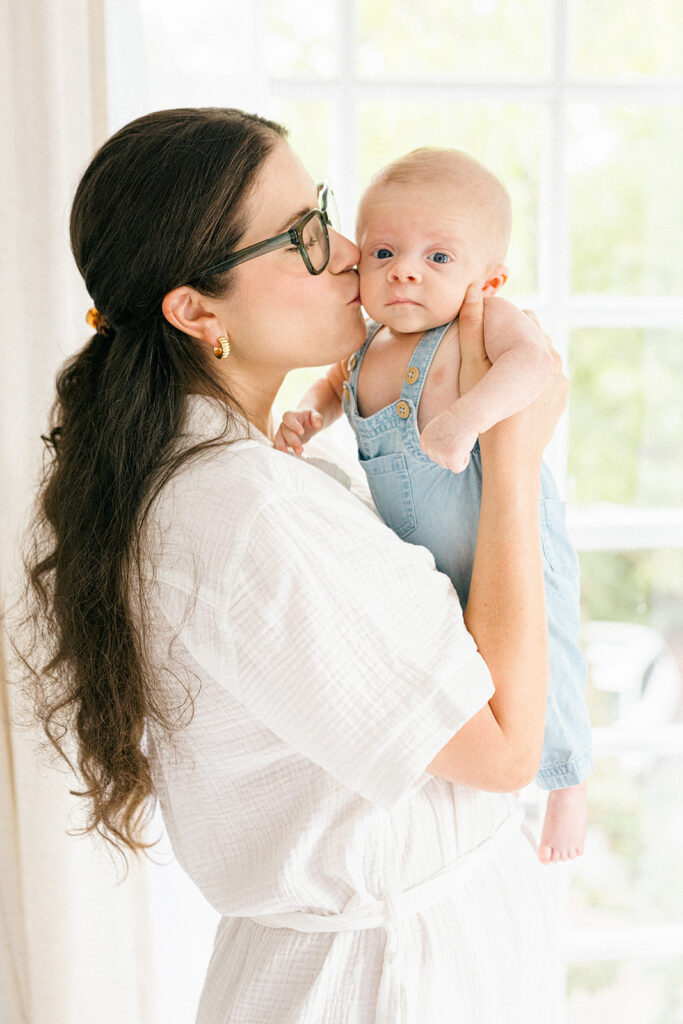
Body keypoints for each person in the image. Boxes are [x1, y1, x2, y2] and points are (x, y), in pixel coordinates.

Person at [19, 108, 568, 1023]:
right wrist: (511, 458)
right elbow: (508, 750)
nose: (355, 252)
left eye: (323, 212)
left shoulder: (216, 472)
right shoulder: (247, 510)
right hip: (388, 984)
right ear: (195, 312)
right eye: (303, 238)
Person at [275, 147, 593, 865]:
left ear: (488, 278)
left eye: (438, 257)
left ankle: (568, 780)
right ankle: (480, 794)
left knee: (550, 650)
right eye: (383, 251)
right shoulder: (364, 346)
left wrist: (464, 419)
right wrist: (307, 413)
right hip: (429, 564)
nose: (404, 270)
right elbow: (331, 386)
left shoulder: (479, 327)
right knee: (466, 666)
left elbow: (536, 368)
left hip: (506, 537)